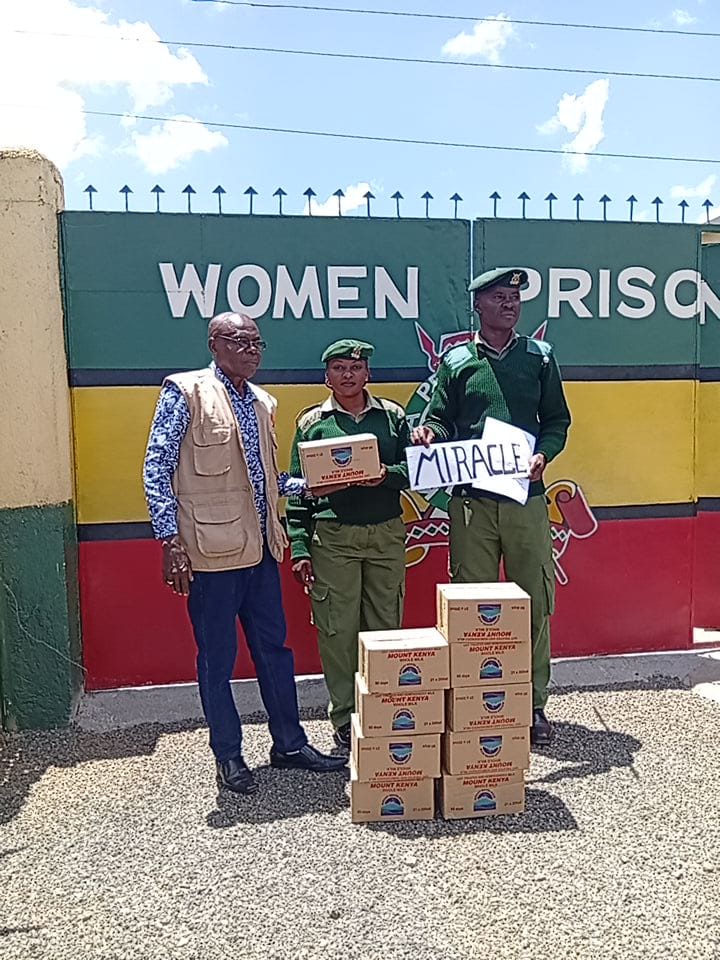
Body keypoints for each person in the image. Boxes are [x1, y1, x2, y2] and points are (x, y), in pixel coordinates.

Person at [142, 311, 346, 795]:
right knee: (217, 659)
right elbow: (156, 467)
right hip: (210, 554)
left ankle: (289, 744)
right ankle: (228, 756)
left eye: (257, 343)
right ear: (215, 344)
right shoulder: (186, 392)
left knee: (275, 651)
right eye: (240, 341)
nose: (252, 350)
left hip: (261, 550)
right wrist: (170, 541)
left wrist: (317, 484)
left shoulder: (261, 401)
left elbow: (267, 480)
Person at [411, 268, 571, 747]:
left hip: (525, 500)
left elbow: (557, 421)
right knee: (471, 605)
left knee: (534, 601)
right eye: (499, 297)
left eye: (515, 298)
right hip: (471, 505)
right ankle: (473, 698)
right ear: (478, 305)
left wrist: (545, 454)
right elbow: (441, 419)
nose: (510, 305)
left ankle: (533, 703)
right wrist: (429, 434)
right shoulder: (457, 361)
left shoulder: (540, 357)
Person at [286, 339, 411, 750]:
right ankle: (345, 715)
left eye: (355, 368)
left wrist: (385, 474)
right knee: (337, 630)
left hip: (385, 533)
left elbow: (414, 470)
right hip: (334, 538)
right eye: (339, 368)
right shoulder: (312, 423)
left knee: (385, 626)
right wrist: (299, 546)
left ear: (367, 374)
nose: (348, 375)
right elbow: (298, 490)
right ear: (327, 376)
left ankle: (384, 709)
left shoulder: (392, 417)